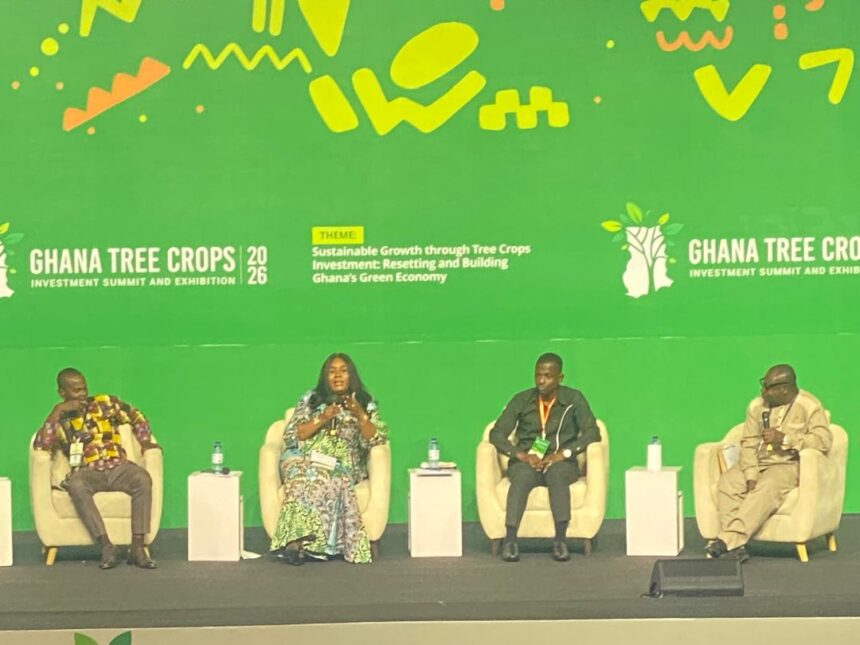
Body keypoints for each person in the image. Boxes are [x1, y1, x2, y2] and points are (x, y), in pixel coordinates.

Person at [33, 368, 160, 569]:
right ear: (62, 392)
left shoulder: (104, 403)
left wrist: (145, 442)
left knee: (142, 478)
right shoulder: (61, 419)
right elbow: (42, 445)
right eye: (76, 390)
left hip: (118, 466)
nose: (82, 394)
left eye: (84, 388)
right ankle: (107, 547)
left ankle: (137, 549)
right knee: (76, 484)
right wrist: (57, 411)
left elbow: (136, 416)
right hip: (89, 472)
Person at [705, 364, 832, 562]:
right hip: (758, 461)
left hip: (787, 464)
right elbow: (748, 443)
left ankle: (726, 541)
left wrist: (785, 438)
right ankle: (737, 547)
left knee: (766, 488)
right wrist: (750, 475)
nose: (762, 391)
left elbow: (824, 440)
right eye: (763, 384)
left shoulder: (809, 405)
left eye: (768, 387)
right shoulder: (756, 406)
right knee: (728, 483)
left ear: (784, 389)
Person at [270, 353, 389, 564]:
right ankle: (296, 542)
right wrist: (322, 418)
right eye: (332, 372)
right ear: (325, 377)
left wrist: (359, 413)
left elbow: (376, 438)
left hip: (340, 464)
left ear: (351, 375)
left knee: (323, 478)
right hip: (303, 458)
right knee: (302, 475)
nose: (337, 376)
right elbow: (294, 435)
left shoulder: (364, 403)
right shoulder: (311, 399)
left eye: (343, 371)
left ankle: (303, 544)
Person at [489, 353, 601, 562]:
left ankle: (560, 540)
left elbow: (592, 433)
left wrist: (564, 454)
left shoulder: (573, 399)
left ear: (560, 377)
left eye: (548, 376)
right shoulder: (521, 399)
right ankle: (510, 540)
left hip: (561, 461)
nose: (541, 381)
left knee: (557, 477)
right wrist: (520, 455)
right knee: (521, 478)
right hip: (527, 460)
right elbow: (496, 434)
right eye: (538, 375)